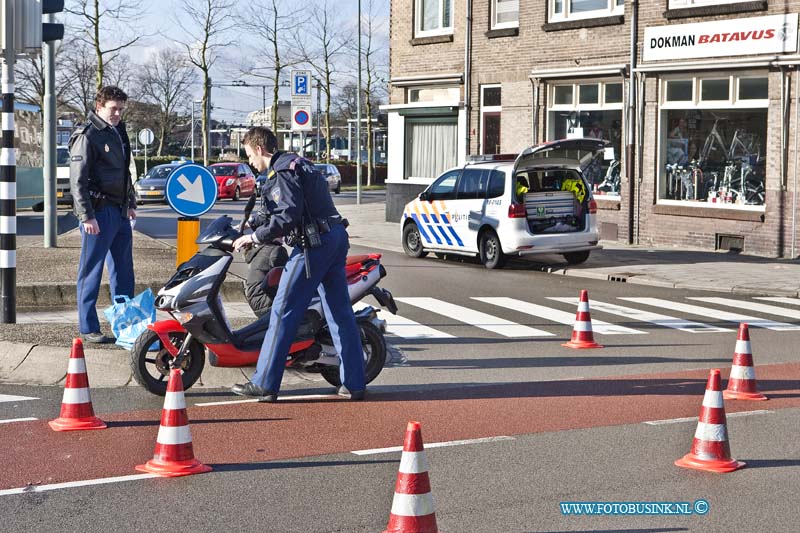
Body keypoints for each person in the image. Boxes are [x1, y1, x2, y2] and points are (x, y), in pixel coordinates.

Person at [230, 126, 366, 402]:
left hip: (313, 246)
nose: (250, 163)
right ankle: (354, 382)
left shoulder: (282, 171)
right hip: (335, 237)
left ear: (259, 149)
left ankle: (265, 383)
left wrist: (255, 238)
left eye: (249, 156)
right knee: (339, 312)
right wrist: (249, 226)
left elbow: (287, 215)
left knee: (283, 310)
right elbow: (281, 209)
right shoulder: (297, 163)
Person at [69, 86, 136, 344]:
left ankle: (127, 328)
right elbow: (78, 181)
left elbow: (124, 173)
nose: (117, 113)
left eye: (121, 108)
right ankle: (88, 328)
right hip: (98, 212)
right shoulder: (88, 135)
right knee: (91, 271)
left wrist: (130, 202)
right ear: (99, 107)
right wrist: (86, 216)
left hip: (119, 212)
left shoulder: (119, 132)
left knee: (124, 272)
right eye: (113, 108)